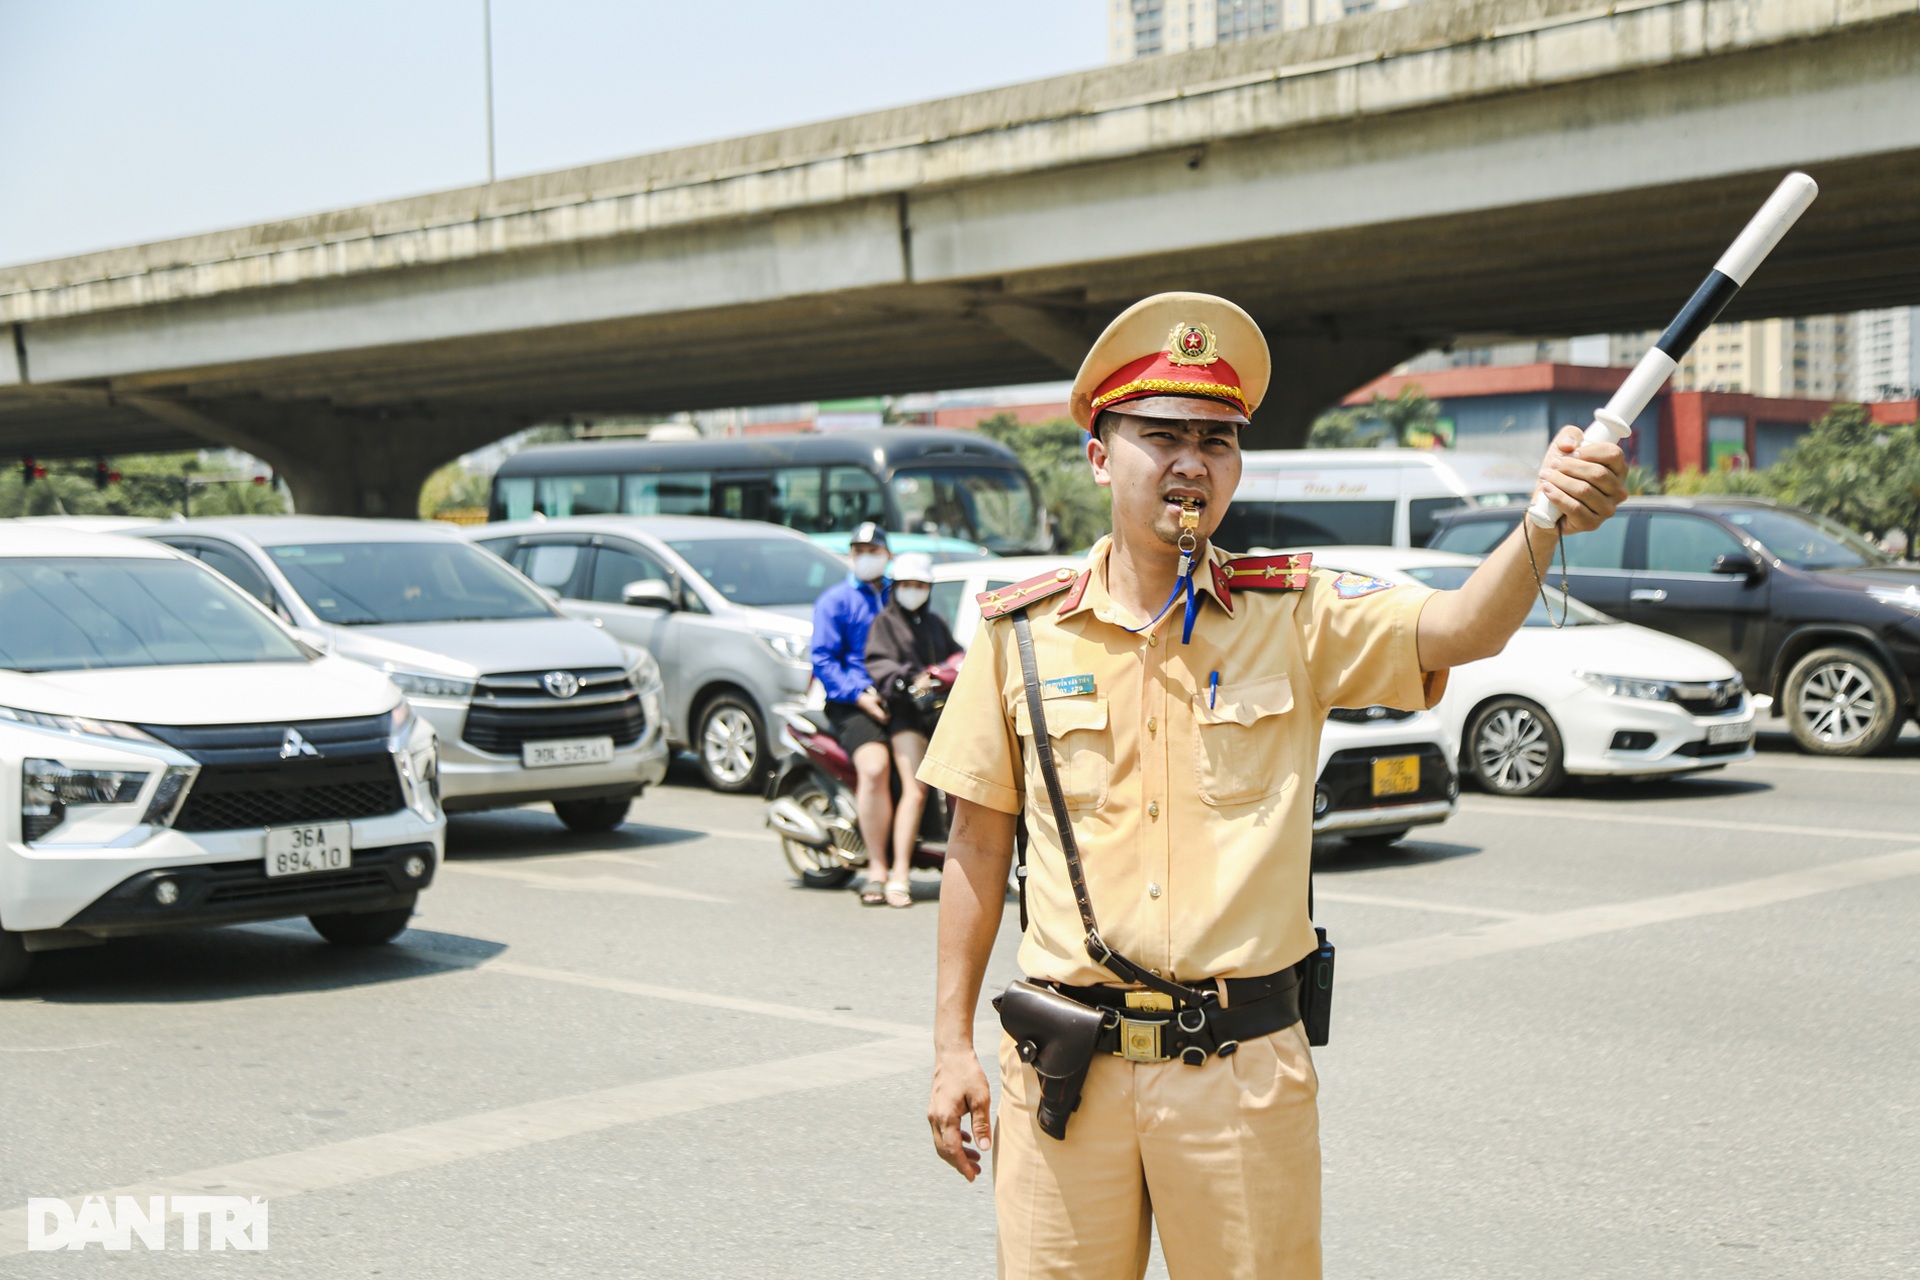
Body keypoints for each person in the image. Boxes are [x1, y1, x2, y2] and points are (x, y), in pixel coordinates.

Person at [918, 292, 1628, 1279]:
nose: (1190, 461)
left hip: (1240, 1076)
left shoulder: (1293, 616)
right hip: (1065, 1077)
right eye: (1160, 434)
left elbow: (1464, 624)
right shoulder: (1018, 638)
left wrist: (1548, 516)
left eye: (1217, 439)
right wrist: (952, 1045)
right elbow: (978, 845)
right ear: (1097, 453)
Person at [864, 552, 963, 909]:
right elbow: (880, 665)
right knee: (917, 790)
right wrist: (909, 679)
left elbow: (958, 656)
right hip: (905, 716)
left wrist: (948, 671)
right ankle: (899, 874)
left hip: (937, 715)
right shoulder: (885, 624)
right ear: (895, 588)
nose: (913, 591)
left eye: (920, 585)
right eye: (907, 585)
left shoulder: (934, 623)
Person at [808, 521, 896, 906]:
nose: (865, 557)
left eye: (872, 551)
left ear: (886, 554)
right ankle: (877, 868)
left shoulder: (902, 592)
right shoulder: (835, 601)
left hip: (899, 699)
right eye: (858, 551)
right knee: (875, 768)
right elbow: (823, 661)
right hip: (852, 703)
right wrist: (860, 695)